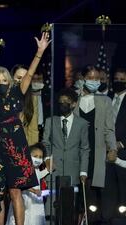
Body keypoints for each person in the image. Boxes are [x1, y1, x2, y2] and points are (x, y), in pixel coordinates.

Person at [0, 32, 50, 225]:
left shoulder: (17, 92)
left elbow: (30, 74)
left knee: (16, 191)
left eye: (3, 80)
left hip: (15, 147)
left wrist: (39, 52)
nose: (0, 83)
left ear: (9, 81)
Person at [72, 65, 117, 224]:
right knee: (79, 189)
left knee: (94, 188)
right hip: (77, 151)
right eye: (91, 78)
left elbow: (109, 128)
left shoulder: (105, 101)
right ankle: (80, 218)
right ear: (83, 79)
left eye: (97, 78)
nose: (94, 81)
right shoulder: (74, 100)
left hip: (97, 151)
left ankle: (95, 219)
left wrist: (112, 148)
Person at [42, 88, 90, 222]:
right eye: (60, 101)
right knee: (51, 208)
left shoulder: (82, 124)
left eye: (66, 102)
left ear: (74, 104)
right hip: (53, 170)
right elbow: (45, 143)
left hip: (73, 172)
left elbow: (84, 149)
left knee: (69, 209)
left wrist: (83, 171)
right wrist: (47, 160)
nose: (63, 104)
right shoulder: (50, 121)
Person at [6, 143, 49, 225]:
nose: (38, 159)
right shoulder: (24, 169)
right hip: (24, 198)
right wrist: (33, 191)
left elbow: (39, 175)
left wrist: (48, 170)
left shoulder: (36, 169)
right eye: (35, 156)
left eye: (40, 157)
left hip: (36, 200)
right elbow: (22, 184)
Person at [104, 67, 126, 219]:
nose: (118, 82)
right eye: (116, 79)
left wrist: (121, 144)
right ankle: (107, 218)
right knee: (108, 188)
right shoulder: (108, 98)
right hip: (106, 152)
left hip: (123, 153)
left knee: (123, 190)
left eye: (122, 80)